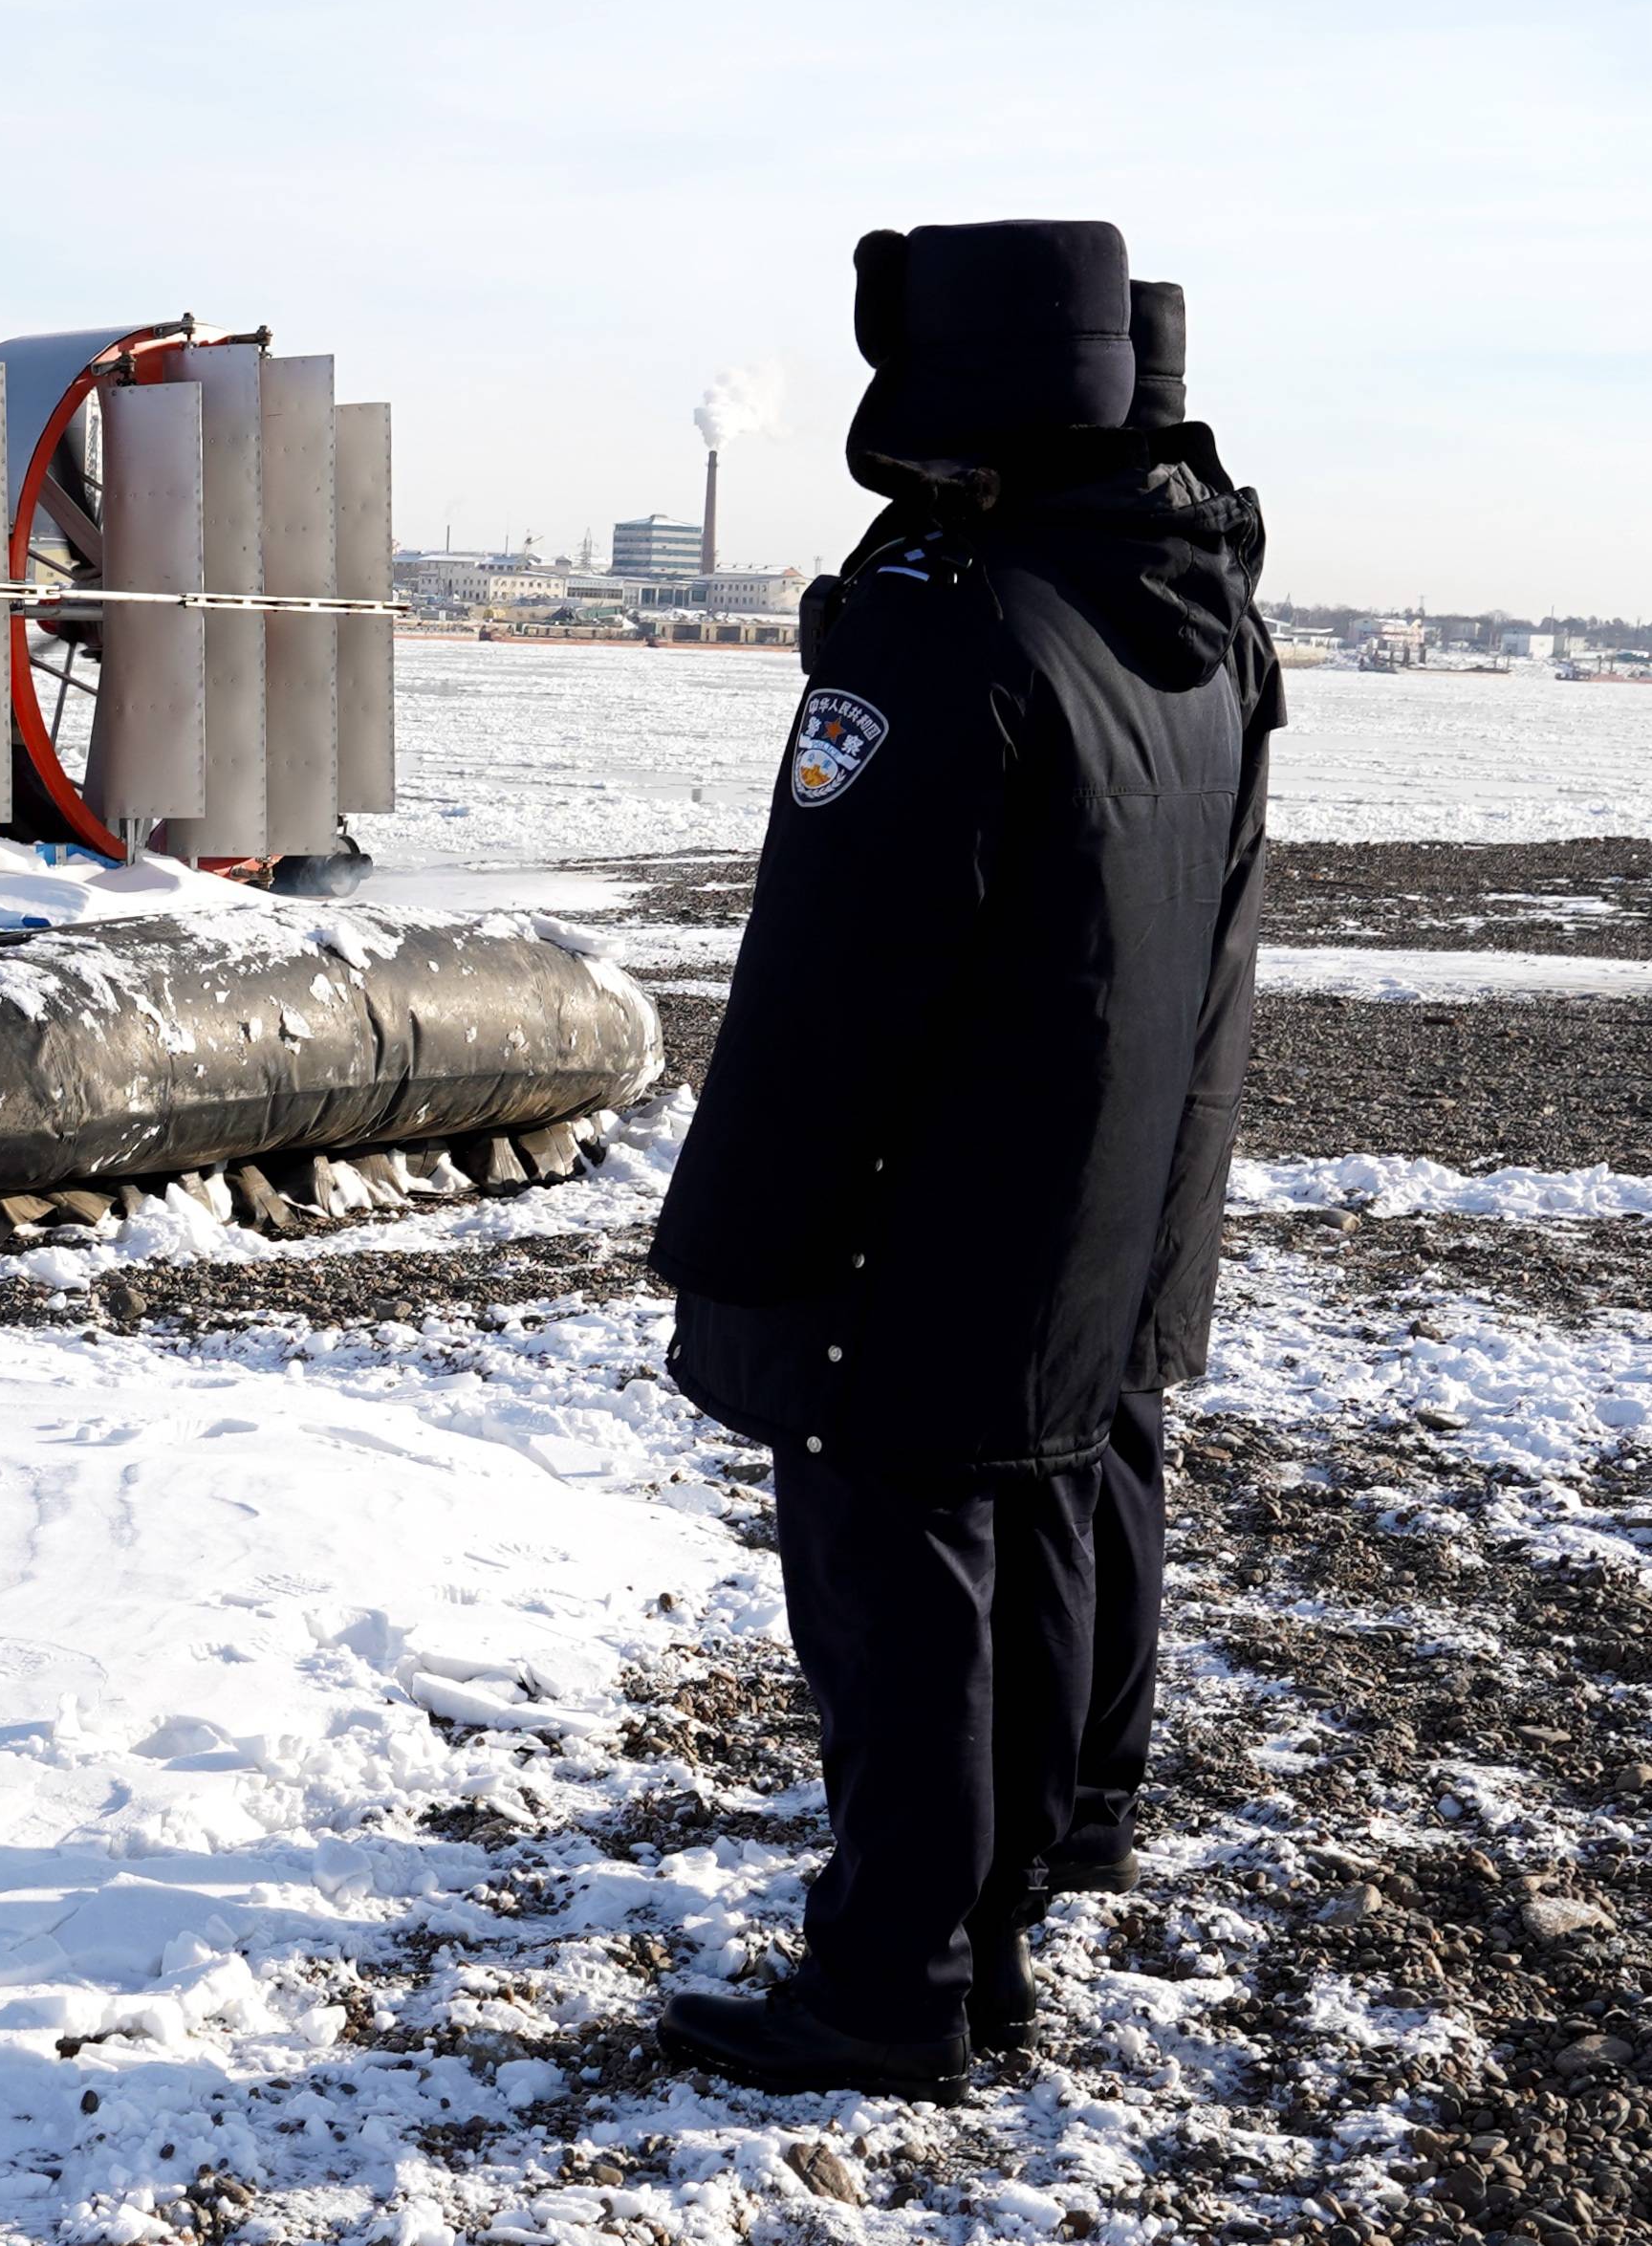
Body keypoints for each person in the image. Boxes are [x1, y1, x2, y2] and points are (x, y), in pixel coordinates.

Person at [645, 220, 1281, 2102]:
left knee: (898, 1602)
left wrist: (745, 1243)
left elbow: (827, 982)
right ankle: (982, 1937)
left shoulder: (955, 624)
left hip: (912, 1224)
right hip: (1063, 1198)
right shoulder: (1155, 617)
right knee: (1019, 1553)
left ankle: (892, 1982)